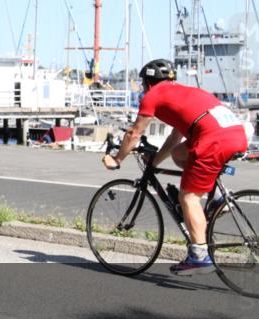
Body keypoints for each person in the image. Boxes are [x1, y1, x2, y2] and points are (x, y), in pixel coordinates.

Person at [103, 59, 249, 276]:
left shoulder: (153, 96)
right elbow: (175, 137)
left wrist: (117, 159)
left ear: (148, 82)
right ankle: (217, 197)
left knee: (188, 197)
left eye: (143, 84)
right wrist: (154, 162)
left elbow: (134, 133)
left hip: (213, 141)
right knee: (179, 154)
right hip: (235, 134)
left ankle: (199, 255)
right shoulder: (183, 91)